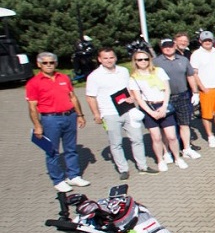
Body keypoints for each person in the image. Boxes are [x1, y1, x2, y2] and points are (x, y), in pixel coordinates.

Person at [28, 52, 88, 191]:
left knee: (71, 149)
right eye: (45, 63)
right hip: (50, 119)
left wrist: (80, 115)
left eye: (52, 62)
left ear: (56, 63)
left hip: (69, 116)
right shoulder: (34, 83)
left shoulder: (64, 77)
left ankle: (73, 176)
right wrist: (37, 126)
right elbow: (32, 107)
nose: (49, 65)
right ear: (39, 64)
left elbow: (72, 97)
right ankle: (58, 180)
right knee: (52, 151)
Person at [85, 47, 148, 178]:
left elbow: (129, 88)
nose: (109, 60)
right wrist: (96, 114)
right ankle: (123, 169)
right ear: (100, 59)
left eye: (111, 57)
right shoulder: (94, 76)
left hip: (128, 110)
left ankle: (143, 166)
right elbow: (91, 97)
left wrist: (132, 97)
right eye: (105, 58)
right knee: (116, 143)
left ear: (115, 58)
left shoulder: (123, 71)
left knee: (137, 139)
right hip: (109, 113)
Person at [127, 52, 184, 171]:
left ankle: (177, 158)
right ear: (135, 62)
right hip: (148, 107)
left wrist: (164, 106)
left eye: (145, 59)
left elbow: (167, 90)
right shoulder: (134, 78)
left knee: (171, 136)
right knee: (156, 138)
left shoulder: (159, 71)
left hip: (163, 104)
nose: (143, 61)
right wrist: (151, 112)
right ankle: (160, 160)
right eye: (140, 60)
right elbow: (138, 98)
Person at [153, 37, 201, 160]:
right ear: (161, 48)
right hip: (164, 98)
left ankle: (186, 149)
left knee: (184, 123)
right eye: (165, 46)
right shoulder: (156, 62)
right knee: (166, 127)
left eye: (170, 46)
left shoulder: (183, 60)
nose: (168, 48)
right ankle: (167, 152)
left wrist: (195, 92)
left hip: (183, 95)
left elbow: (190, 76)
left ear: (174, 46)